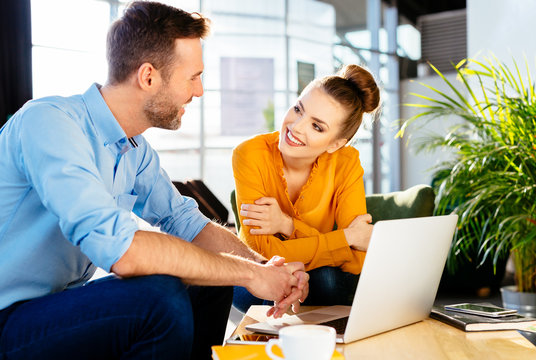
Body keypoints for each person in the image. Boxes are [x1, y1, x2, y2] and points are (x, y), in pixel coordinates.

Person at [0, 2, 308, 360]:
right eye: (193, 77)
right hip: (8, 318)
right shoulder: (49, 122)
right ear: (148, 77)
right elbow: (124, 253)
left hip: (56, 308)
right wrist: (249, 275)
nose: (199, 91)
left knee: (212, 279)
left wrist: (265, 268)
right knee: (159, 298)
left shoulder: (135, 150)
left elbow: (185, 222)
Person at [232, 64, 380, 312]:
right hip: (255, 274)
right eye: (298, 109)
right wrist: (347, 238)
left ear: (335, 144)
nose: (296, 127)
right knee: (289, 280)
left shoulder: (346, 162)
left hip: (319, 277)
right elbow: (265, 253)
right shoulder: (249, 155)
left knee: (325, 279)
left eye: (317, 126)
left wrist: (287, 226)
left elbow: (357, 261)